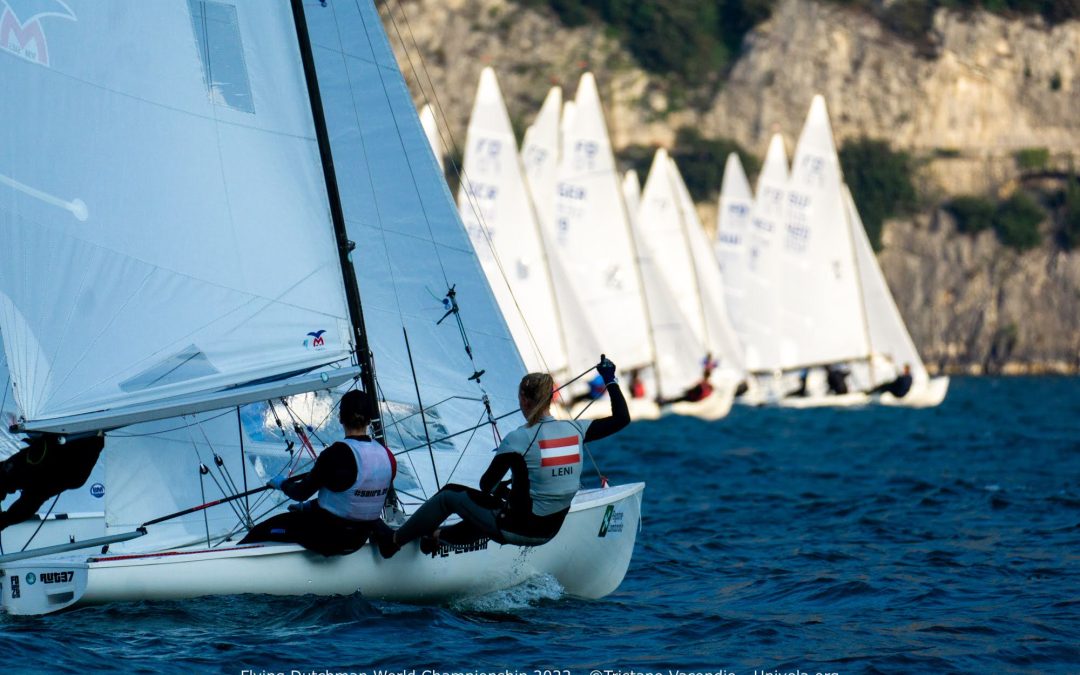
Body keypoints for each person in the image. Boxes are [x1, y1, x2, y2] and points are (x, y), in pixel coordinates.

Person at [379, 355, 630, 558]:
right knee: (498, 507)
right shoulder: (576, 430)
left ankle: (393, 542)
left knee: (450, 495)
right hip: (550, 531)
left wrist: (505, 490)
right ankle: (435, 538)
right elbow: (622, 419)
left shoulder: (518, 438)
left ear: (523, 399)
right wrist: (610, 379)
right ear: (550, 400)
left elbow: (485, 485)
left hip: (518, 529)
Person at [240, 389, 395, 556]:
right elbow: (359, 496)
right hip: (358, 539)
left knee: (261, 531)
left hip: (327, 539)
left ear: (340, 418)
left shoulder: (335, 454)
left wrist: (282, 483)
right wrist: (309, 507)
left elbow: (300, 493)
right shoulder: (387, 456)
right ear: (369, 419)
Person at [0, 433, 104, 532]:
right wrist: (6, 520)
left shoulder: (74, 477)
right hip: (77, 442)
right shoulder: (74, 477)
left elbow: (27, 505)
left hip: (75, 441)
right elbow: (27, 505)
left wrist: (6, 520)